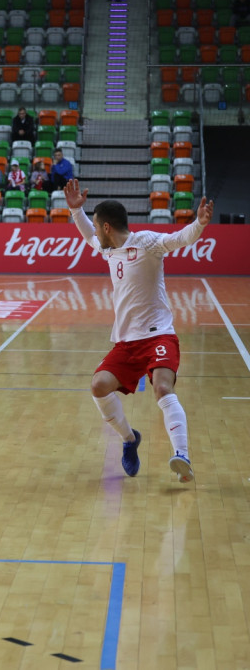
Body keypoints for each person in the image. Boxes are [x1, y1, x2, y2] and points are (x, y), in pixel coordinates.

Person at [64, 178, 214, 483]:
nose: (96, 233)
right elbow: (88, 236)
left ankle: (182, 456)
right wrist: (75, 210)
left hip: (159, 334)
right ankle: (130, 439)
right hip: (126, 342)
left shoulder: (145, 242)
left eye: (97, 225)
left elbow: (179, 239)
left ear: (107, 227)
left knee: (161, 387)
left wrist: (198, 224)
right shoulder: (109, 251)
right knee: (98, 386)